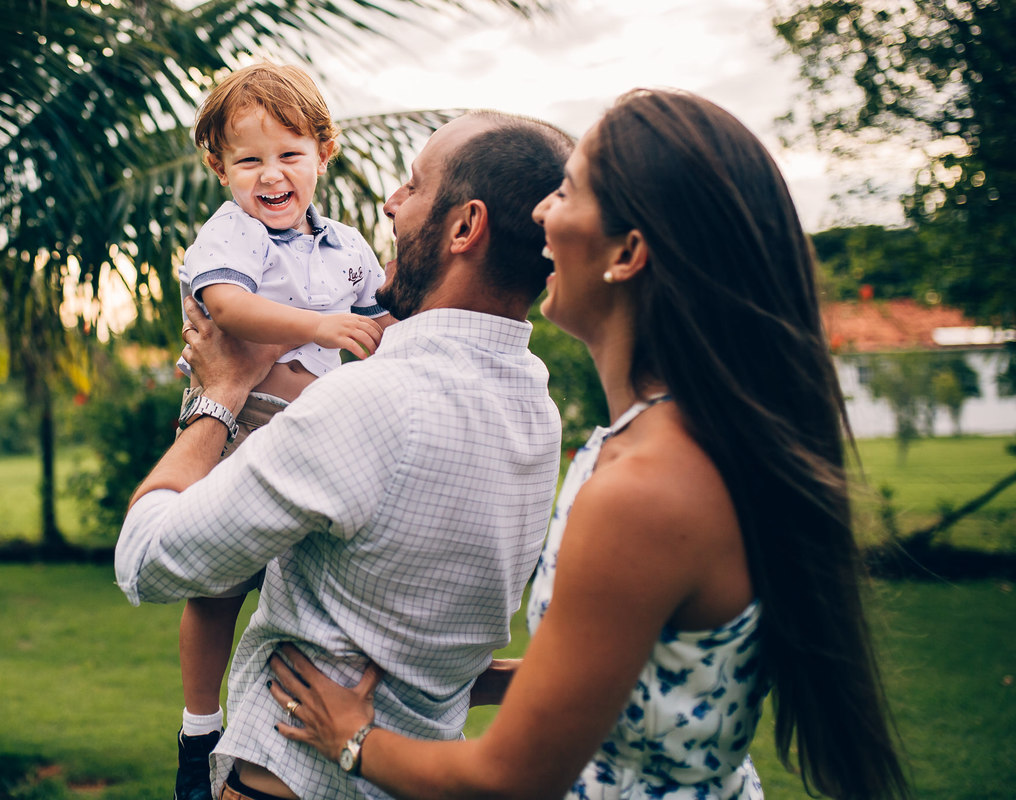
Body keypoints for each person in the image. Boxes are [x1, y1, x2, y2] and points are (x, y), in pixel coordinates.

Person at [263, 88, 912, 800]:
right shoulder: (662, 442)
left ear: (628, 252)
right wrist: (469, 676)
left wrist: (352, 737)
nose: (541, 213)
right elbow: (638, 675)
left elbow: (506, 779)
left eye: (567, 193)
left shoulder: (646, 491)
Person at [116, 110, 576, 800]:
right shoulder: (537, 414)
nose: (390, 202)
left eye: (414, 186)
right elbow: (439, 631)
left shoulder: (370, 402)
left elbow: (147, 561)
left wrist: (221, 393)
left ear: (464, 227)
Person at [168, 62, 392, 800]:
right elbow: (229, 308)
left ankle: (307, 733)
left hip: (322, 434)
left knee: (314, 586)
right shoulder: (232, 233)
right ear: (219, 168)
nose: (271, 175)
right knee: (216, 586)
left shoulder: (347, 247)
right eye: (248, 159)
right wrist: (319, 325)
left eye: (289, 154)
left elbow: (383, 313)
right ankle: (199, 726)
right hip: (243, 424)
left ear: (324, 153)